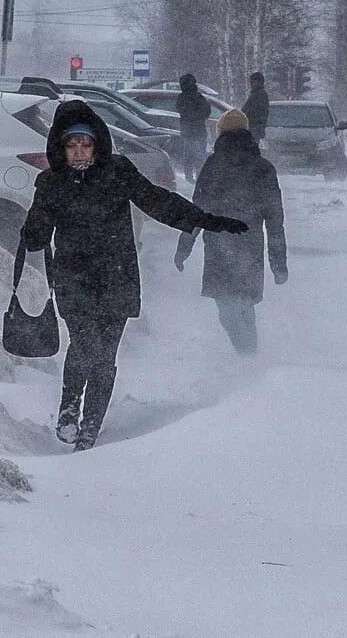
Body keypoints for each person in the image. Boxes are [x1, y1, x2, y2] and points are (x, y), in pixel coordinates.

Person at [21, 100, 248, 452]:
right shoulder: (52, 182)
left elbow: (157, 201)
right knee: (82, 344)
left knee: (105, 354)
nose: (79, 152)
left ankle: (90, 426)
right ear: (60, 148)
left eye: (85, 144)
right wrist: (38, 217)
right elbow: (35, 235)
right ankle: (68, 410)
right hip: (73, 278)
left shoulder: (117, 171)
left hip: (116, 277)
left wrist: (204, 220)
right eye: (72, 145)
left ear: (97, 145)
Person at [174, 109, 287, 356]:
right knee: (244, 305)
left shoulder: (213, 166)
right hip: (251, 246)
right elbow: (275, 220)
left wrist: (184, 247)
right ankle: (251, 358)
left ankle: (248, 357)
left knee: (228, 310)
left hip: (218, 246)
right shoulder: (263, 167)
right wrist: (279, 263)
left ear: (220, 134)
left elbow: (196, 211)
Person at [175, 72, 212, 180]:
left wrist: (191, 118)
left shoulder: (181, 98)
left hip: (188, 132)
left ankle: (189, 177)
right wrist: (198, 117)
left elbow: (182, 111)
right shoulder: (199, 97)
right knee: (200, 155)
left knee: (189, 155)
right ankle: (199, 177)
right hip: (199, 130)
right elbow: (207, 111)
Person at [241, 71, 269, 141]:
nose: (251, 84)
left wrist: (244, 115)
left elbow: (255, 111)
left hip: (254, 128)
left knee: (251, 148)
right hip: (252, 127)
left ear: (259, 82)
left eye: (253, 81)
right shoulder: (255, 93)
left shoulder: (260, 94)